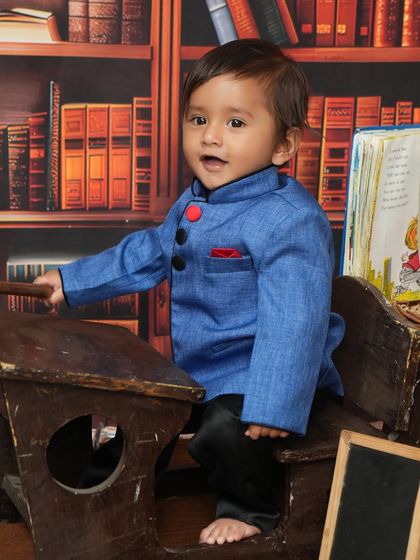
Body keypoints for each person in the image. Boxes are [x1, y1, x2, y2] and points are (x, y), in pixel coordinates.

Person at [35, 39, 345, 546]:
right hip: (200, 366)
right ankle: (101, 485)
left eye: (236, 123)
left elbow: (296, 320)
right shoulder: (196, 201)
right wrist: (72, 280)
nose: (212, 137)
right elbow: (149, 252)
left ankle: (250, 511)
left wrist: (273, 404)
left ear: (284, 145)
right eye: (198, 120)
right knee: (145, 409)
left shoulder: (289, 220)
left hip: (259, 373)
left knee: (229, 428)